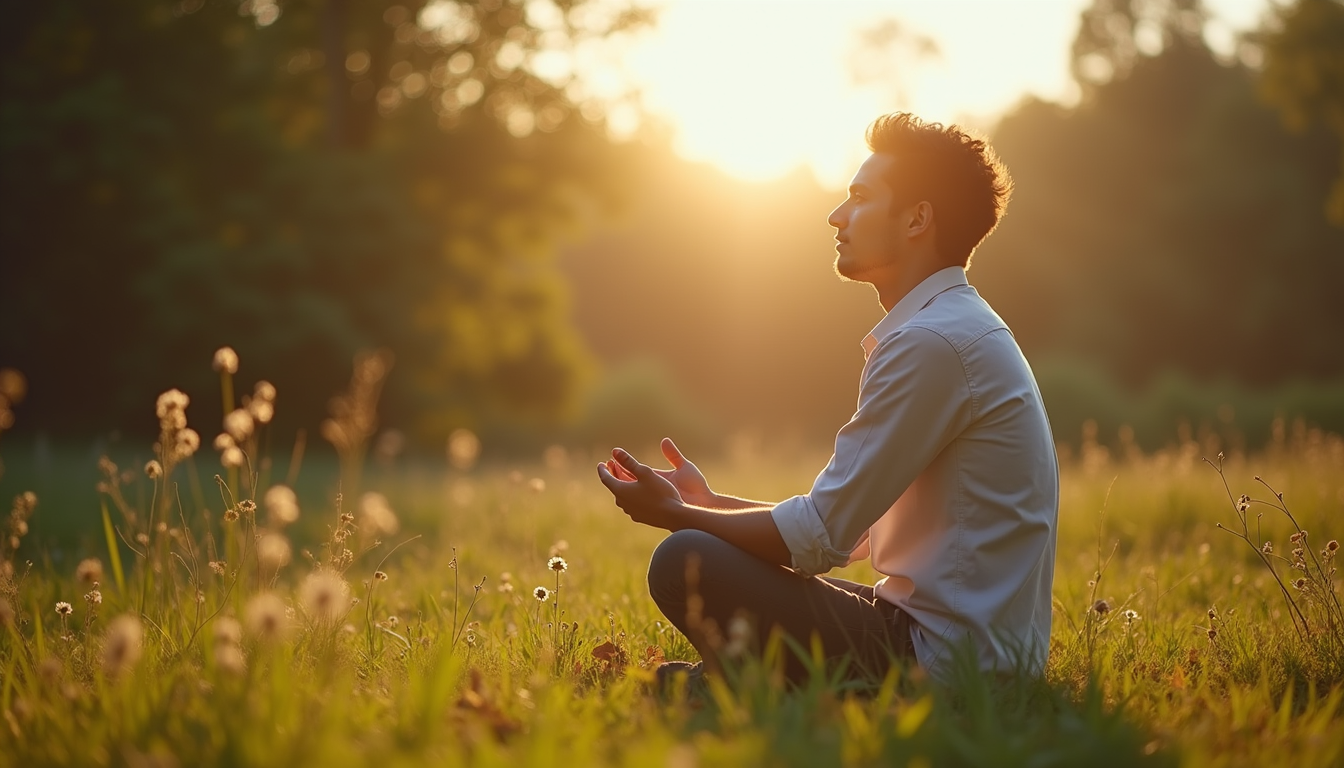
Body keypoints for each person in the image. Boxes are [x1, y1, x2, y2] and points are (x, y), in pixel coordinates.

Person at [597, 112, 1059, 687]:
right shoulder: (953, 328)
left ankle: (732, 691)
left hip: (946, 666)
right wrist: (713, 504)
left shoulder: (931, 343)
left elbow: (816, 539)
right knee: (711, 547)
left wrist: (676, 514)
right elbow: (849, 532)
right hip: (966, 647)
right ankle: (728, 687)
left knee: (684, 559)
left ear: (917, 219)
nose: (837, 215)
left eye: (861, 197)